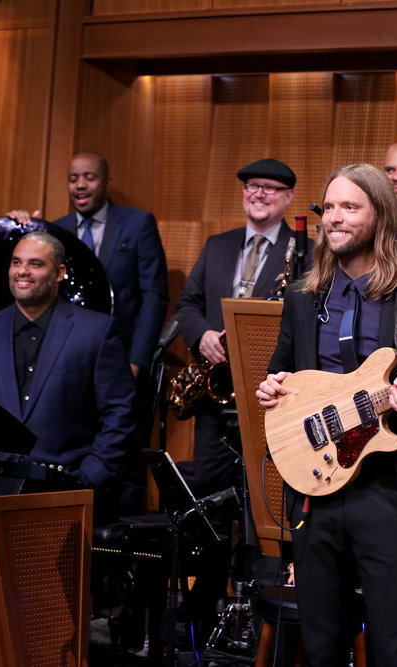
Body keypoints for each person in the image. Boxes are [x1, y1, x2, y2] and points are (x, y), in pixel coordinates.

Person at [256, 163, 397, 666]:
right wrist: (271, 389)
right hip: (315, 489)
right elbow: (280, 375)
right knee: (320, 646)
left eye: (349, 207)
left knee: (394, 648)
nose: (333, 217)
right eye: (328, 207)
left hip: (388, 493)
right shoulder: (303, 300)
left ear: (382, 218)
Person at [0, 232, 135, 515]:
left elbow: (121, 412)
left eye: (35, 264)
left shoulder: (97, 331)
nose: (22, 271)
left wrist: (91, 476)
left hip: (66, 487)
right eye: (16, 262)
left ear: (59, 273)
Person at [174, 157, 298, 497]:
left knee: (264, 493)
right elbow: (186, 306)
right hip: (215, 395)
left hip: (270, 394)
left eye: (270, 188)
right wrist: (203, 336)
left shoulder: (305, 253)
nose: (259, 194)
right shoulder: (217, 245)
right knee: (209, 493)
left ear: (288, 197)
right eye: (252, 186)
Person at [7, 151, 169, 379]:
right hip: (64, 359)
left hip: (120, 356)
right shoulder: (56, 229)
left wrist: (136, 361)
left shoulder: (139, 224)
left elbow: (154, 296)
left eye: (89, 178)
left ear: (107, 183)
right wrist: (15, 227)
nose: (80, 185)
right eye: (73, 179)